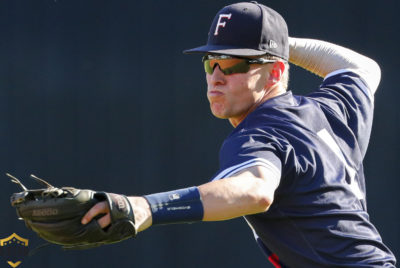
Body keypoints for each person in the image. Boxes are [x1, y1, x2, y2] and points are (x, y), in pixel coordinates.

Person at [81, 2, 397, 267]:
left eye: (232, 64)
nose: (216, 78)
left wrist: (149, 207)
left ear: (275, 72)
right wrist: (278, 45)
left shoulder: (259, 132)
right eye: (211, 63)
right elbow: (362, 67)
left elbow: (255, 190)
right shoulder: (329, 109)